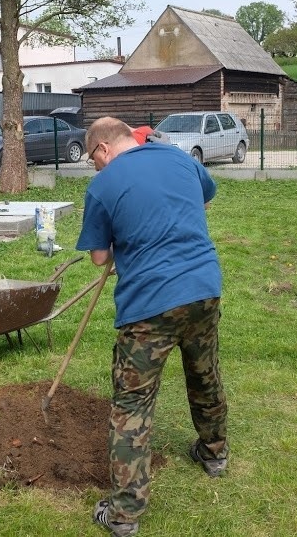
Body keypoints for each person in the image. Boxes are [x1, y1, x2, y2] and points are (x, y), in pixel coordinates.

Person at [77, 117, 228, 537]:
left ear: (103, 148)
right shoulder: (179, 158)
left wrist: (121, 242)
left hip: (149, 305)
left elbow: (98, 259)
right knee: (204, 373)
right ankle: (214, 454)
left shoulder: (103, 186)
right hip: (202, 288)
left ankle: (125, 514)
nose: (95, 168)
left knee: (132, 404)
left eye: (93, 160)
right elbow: (204, 203)